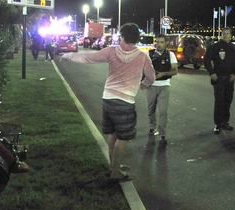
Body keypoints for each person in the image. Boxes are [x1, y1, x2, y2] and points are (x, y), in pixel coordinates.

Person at [61, 23, 155, 181]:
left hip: (108, 98)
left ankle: (114, 166)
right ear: (137, 39)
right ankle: (116, 172)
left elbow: (88, 58)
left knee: (113, 134)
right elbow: (151, 77)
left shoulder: (111, 51)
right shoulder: (142, 56)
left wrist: (68, 56)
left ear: (122, 37)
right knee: (123, 138)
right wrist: (143, 85)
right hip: (125, 100)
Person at [204, 27, 235, 135]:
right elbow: (206, 60)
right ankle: (217, 124)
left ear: (231, 35)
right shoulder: (215, 47)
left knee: (228, 101)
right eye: (223, 33)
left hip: (230, 80)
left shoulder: (234, 48)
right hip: (219, 79)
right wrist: (212, 73)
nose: (225, 35)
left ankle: (225, 122)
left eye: (227, 33)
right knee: (219, 102)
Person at [146, 34, 178, 146]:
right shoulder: (149, 54)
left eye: (161, 42)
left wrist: (163, 74)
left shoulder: (170, 55)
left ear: (166, 43)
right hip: (151, 85)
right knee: (151, 108)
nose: (158, 44)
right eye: (157, 42)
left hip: (164, 85)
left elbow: (175, 71)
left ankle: (162, 134)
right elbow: (143, 68)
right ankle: (152, 126)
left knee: (163, 111)